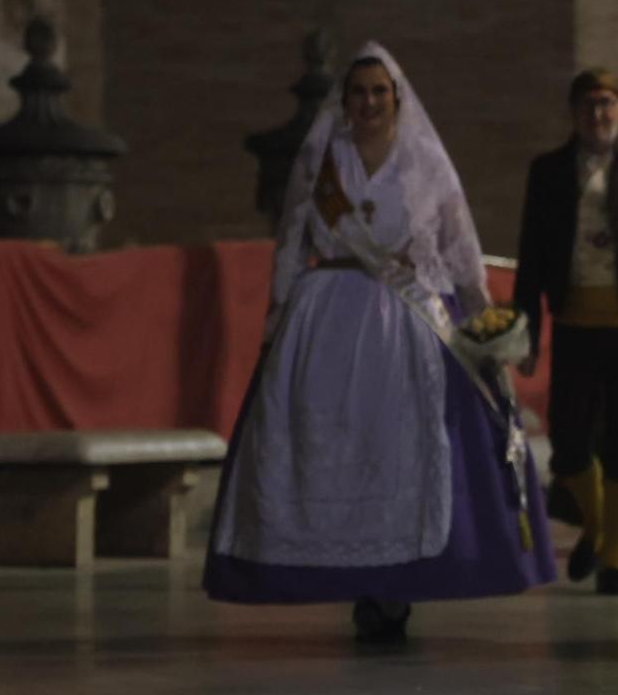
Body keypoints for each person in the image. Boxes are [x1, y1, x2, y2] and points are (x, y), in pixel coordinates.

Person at [207, 42, 557, 641]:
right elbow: (293, 240)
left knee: (406, 447)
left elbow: (458, 247)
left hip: (410, 325)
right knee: (332, 446)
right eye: (359, 92)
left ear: (397, 98)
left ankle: (396, 583)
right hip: (328, 318)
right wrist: (274, 323)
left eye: (379, 92)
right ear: (344, 102)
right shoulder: (323, 158)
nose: (369, 102)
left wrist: (484, 320)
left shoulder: (424, 161)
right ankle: (354, 578)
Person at [513, 68, 618, 592]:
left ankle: (613, 554)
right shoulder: (548, 171)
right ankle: (594, 525)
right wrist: (526, 332)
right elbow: (531, 255)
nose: (599, 114)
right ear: (574, 112)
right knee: (567, 441)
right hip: (574, 323)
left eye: (609, 103)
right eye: (589, 105)